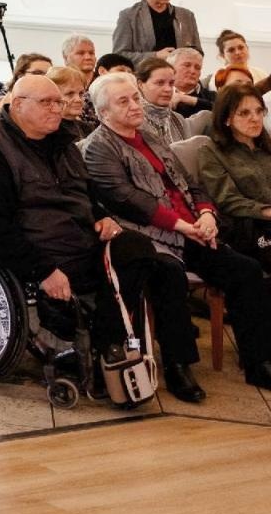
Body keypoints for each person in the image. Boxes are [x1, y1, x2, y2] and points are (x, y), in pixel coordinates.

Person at [0, 74, 212, 406]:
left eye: (58, 102)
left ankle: (176, 363)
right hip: (42, 253)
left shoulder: (61, 141)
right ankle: (111, 349)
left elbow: (86, 193)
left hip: (83, 241)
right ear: (18, 105)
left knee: (162, 265)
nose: (57, 110)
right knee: (136, 261)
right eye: (47, 103)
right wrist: (43, 270)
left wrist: (100, 215)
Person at [80, 71, 271, 388]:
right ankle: (178, 366)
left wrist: (207, 214)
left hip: (190, 231)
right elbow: (131, 201)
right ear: (103, 113)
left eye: (134, 98)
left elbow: (190, 185)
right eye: (123, 101)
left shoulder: (151, 138)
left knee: (246, 270)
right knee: (169, 278)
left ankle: (257, 361)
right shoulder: (98, 148)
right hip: (146, 237)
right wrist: (185, 225)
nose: (134, 106)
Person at [196, 83, 271, 269]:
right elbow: (227, 200)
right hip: (250, 226)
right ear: (227, 119)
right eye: (244, 113)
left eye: (259, 111)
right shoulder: (211, 151)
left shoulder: (267, 145)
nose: (255, 119)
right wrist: (267, 212)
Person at [112, 0, 200, 58]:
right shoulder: (129, 16)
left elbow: (198, 52)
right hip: (144, 72)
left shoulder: (186, 16)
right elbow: (119, 56)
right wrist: (155, 56)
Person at [135, 56, 187, 148]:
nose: (168, 89)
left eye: (171, 83)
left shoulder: (178, 119)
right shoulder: (132, 120)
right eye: (160, 83)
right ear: (141, 85)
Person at [168, 47, 213, 117]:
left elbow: (221, 111)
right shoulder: (159, 93)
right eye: (187, 65)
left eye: (197, 68)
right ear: (171, 68)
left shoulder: (210, 96)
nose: (193, 71)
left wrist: (184, 98)